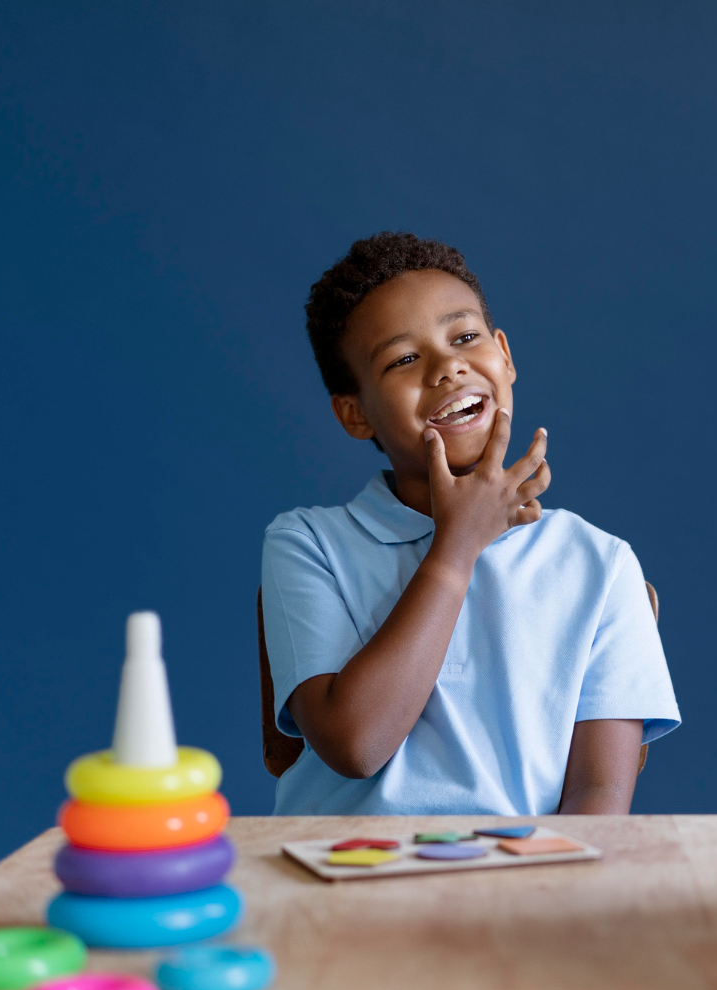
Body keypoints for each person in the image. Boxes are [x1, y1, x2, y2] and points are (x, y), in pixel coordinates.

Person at [260, 232, 680, 817]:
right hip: (344, 887)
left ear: (503, 356)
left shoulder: (601, 564)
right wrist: (456, 549)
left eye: (464, 337)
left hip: (520, 891)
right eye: (404, 359)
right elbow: (356, 745)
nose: (447, 366)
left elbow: (598, 798)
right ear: (354, 413)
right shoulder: (307, 543)